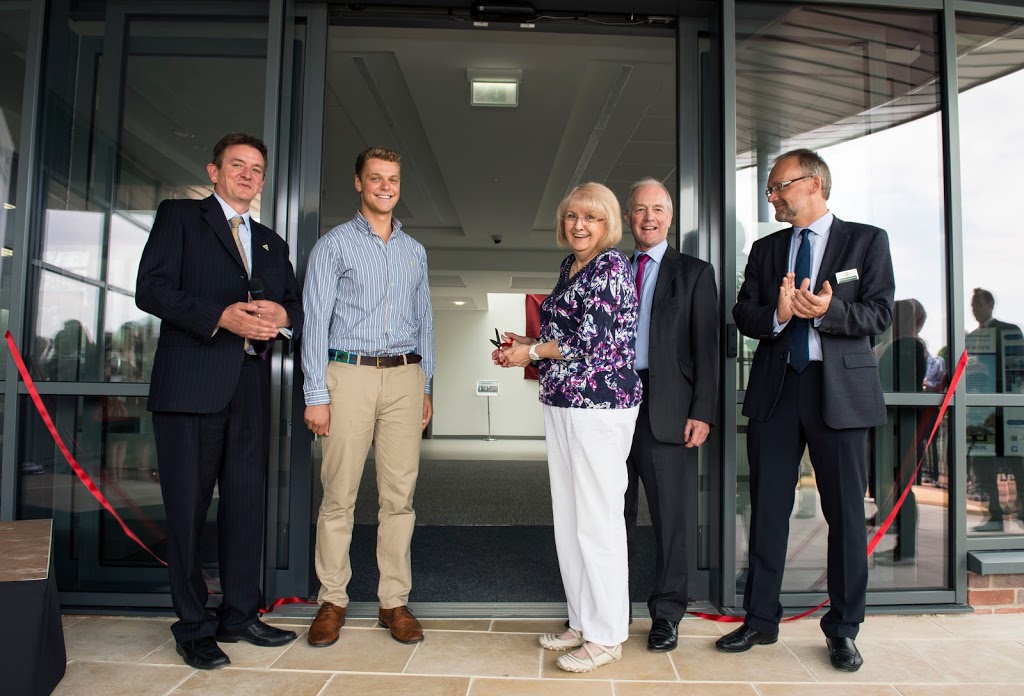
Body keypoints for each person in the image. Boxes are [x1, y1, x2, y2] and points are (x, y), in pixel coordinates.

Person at [720, 148, 894, 672]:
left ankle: (843, 629)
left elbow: (881, 312)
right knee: (768, 509)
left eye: (779, 186)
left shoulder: (866, 240)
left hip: (838, 392)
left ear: (814, 182)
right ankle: (760, 621)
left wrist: (830, 311)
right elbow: (743, 311)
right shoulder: (766, 248)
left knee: (842, 515)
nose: (772, 196)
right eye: (771, 189)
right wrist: (775, 313)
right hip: (777, 391)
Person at [135, 132, 303, 669]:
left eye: (257, 168)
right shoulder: (180, 217)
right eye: (238, 165)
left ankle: (239, 613)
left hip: (250, 391)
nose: (249, 175)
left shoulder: (273, 242)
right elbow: (151, 289)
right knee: (186, 512)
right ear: (214, 171)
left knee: (245, 507)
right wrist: (218, 317)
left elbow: (294, 306)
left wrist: (283, 317)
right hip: (190, 389)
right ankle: (193, 624)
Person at [494, 182, 641, 673]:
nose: (580, 225)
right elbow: (563, 337)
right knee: (571, 518)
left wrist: (530, 353)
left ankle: (607, 635)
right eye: (573, 215)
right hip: (561, 401)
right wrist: (528, 340)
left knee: (598, 520)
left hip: (599, 406)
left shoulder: (612, 266)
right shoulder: (570, 267)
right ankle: (582, 621)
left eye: (592, 218)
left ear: (608, 224)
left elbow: (592, 342)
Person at [302, 146, 435, 648]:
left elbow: (426, 323)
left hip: (404, 376)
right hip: (348, 375)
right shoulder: (332, 247)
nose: (385, 186)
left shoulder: (415, 251)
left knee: (399, 499)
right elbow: (314, 324)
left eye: (393, 178)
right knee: (339, 496)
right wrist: (317, 393)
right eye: (375, 178)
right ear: (358, 183)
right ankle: (332, 599)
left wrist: (425, 386)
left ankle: (393, 601)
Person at [621, 178, 719, 652]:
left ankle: (667, 614)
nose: (649, 217)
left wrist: (702, 411)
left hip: (669, 411)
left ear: (670, 216)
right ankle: (609, 609)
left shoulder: (695, 273)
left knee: (670, 521)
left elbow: (707, 348)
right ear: (627, 218)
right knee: (609, 517)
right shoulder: (612, 268)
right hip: (612, 407)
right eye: (640, 209)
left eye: (658, 208)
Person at [968, 288, 1024, 532]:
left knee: (1015, 462)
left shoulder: (1008, 331)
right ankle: (994, 515)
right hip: (981, 411)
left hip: (1006, 410)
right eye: (971, 305)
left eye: (977, 304)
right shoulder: (973, 337)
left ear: (990, 304)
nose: (974, 309)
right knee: (983, 462)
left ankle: (1020, 511)